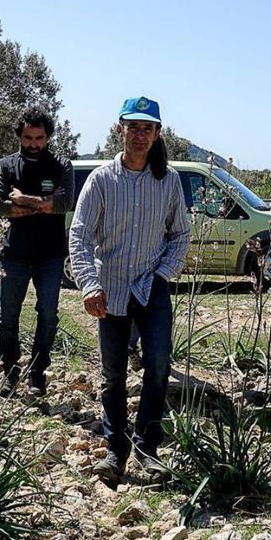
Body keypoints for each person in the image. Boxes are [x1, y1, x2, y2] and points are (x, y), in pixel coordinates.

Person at [69, 96, 190, 483]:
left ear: (157, 134)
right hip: (111, 289)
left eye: (147, 128)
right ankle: (115, 449)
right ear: (120, 129)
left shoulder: (168, 181)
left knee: (157, 369)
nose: (140, 135)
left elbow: (181, 235)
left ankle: (147, 448)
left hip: (151, 288)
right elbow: (80, 235)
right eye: (133, 127)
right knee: (113, 375)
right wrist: (89, 284)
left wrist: (162, 275)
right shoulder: (101, 180)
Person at [0, 108, 75, 396]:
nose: (34, 143)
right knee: (6, 317)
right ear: (20, 136)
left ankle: (37, 374)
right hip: (14, 254)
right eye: (28, 137)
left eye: (39, 137)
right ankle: (10, 372)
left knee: (48, 314)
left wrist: (23, 200)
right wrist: (42, 205)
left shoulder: (62, 165)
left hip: (50, 256)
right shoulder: (6, 166)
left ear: (48, 137)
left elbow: (64, 203)